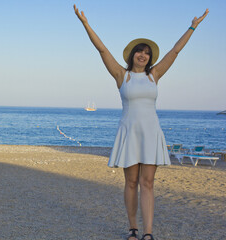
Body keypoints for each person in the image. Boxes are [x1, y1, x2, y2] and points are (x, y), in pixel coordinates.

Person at [74, 4, 208, 240]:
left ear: (150, 57)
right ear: (132, 55)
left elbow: (175, 52)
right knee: (131, 182)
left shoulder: (154, 75)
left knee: (147, 183)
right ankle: (132, 229)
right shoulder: (121, 75)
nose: (143, 55)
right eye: (139, 51)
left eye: (147, 52)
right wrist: (86, 24)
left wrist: (192, 27)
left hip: (150, 132)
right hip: (129, 132)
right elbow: (102, 50)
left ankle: (148, 233)